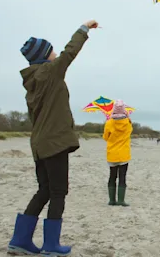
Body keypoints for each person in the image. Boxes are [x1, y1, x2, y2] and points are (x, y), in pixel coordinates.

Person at [7, 20, 98, 256]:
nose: (55, 54)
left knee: (45, 190)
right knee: (58, 191)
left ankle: (20, 240)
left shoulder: (32, 81)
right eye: (51, 51)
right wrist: (84, 29)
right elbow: (70, 53)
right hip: (54, 142)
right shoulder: (49, 72)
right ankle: (51, 246)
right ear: (44, 57)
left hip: (39, 143)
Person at [103, 100, 133, 207]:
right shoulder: (128, 123)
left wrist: (108, 121)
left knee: (112, 176)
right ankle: (121, 200)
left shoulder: (109, 123)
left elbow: (105, 137)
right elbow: (129, 132)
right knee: (122, 177)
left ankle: (112, 200)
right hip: (124, 154)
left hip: (112, 154)